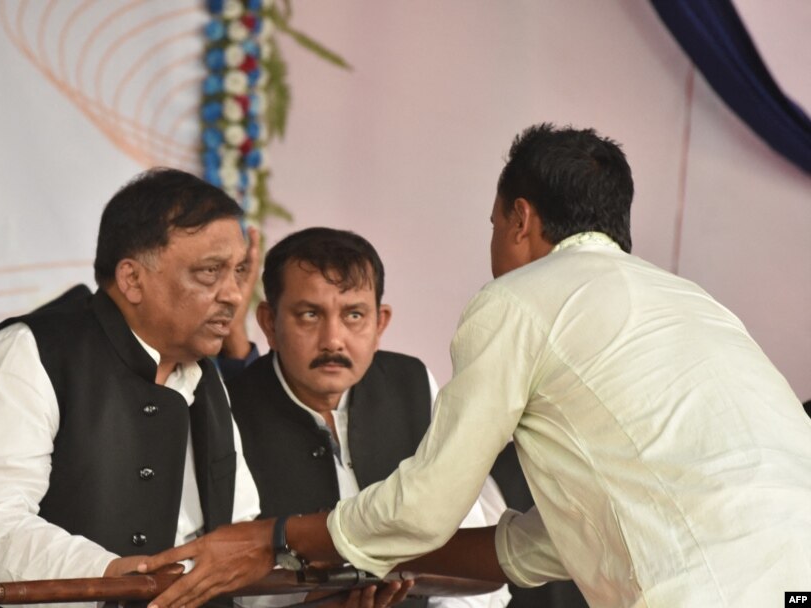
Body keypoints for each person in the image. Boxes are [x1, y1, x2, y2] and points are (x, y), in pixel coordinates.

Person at [138, 124, 811, 607]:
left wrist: (280, 540)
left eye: (493, 223)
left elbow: (425, 510)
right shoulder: (693, 305)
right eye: (309, 314)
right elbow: (547, 539)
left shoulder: (518, 299)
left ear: (520, 219)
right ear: (271, 321)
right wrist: (354, 563)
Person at [0, 168, 266, 608]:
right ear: (132, 279)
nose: (234, 295)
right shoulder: (26, 352)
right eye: (210, 272)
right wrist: (107, 574)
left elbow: (238, 526)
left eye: (238, 272)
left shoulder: (205, 376)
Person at [227, 227, 510, 608]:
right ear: (268, 322)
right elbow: (226, 570)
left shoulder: (410, 383)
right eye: (310, 315)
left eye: (354, 315)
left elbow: (469, 544)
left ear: (380, 324)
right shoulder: (228, 407)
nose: (333, 339)